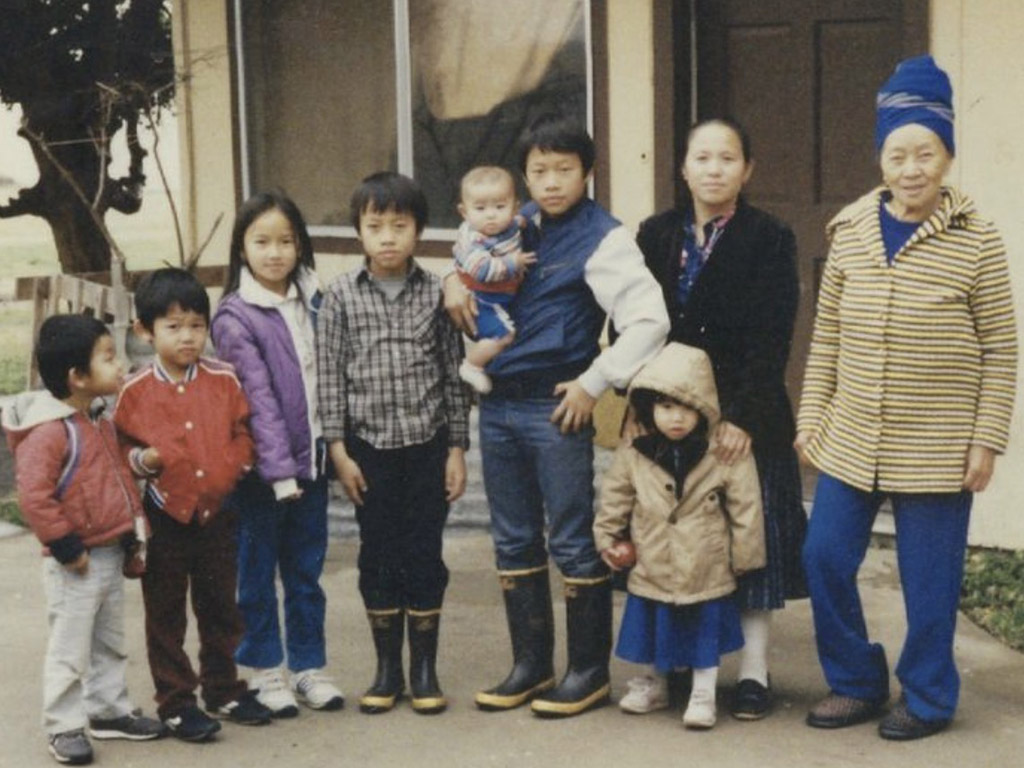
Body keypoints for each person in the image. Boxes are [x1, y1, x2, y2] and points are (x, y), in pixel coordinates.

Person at [796, 55, 1017, 741]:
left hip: (939, 443)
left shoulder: (978, 243)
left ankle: (926, 696)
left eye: (926, 152)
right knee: (824, 556)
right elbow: (826, 334)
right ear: (881, 158)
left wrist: (986, 440)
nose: (912, 168)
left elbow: (1002, 350)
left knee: (930, 586)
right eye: (898, 153)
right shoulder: (851, 231)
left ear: (946, 156)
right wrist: (811, 416)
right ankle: (857, 680)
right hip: (853, 432)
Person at [444, 114, 670, 718]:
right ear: (524, 178)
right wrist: (450, 281)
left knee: (571, 538)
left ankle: (588, 671)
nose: (551, 182)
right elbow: (466, 255)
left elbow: (651, 320)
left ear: (588, 172)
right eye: (539, 171)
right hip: (497, 401)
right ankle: (530, 665)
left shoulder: (605, 237)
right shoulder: (513, 223)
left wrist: (595, 383)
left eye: (564, 169)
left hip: (555, 406)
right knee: (513, 537)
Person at [635, 116, 807, 720]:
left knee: (747, 548)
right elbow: (630, 328)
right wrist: (638, 411)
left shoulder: (770, 237)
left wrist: (743, 417)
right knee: (675, 546)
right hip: (667, 417)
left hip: (743, 416)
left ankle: (754, 672)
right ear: (683, 168)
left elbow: (773, 335)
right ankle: (676, 665)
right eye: (702, 158)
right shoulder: (655, 234)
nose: (713, 169)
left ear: (747, 169)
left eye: (727, 158)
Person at [317, 172, 471, 716]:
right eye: (375, 226)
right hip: (368, 451)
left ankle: (424, 670)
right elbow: (330, 377)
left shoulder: (437, 294)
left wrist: (457, 449)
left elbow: (454, 376)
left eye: (399, 226)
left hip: (426, 447)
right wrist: (338, 449)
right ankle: (387, 669)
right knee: (378, 553)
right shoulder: (337, 297)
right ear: (358, 232)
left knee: (424, 553)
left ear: (419, 231)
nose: (387, 238)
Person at [113, 268, 272, 741]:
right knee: (165, 612)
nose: (188, 337)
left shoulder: (224, 379)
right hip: (165, 517)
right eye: (173, 326)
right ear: (145, 330)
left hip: (218, 514)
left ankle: (222, 688)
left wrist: (233, 466)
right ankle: (176, 701)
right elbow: (120, 449)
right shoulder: (135, 391)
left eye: (197, 326)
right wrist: (143, 460)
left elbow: (245, 432)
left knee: (221, 604)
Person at [3, 315, 166, 765]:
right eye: (108, 358)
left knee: (109, 641)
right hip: (75, 559)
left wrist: (141, 475)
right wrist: (65, 546)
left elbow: (114, 473)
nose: (119, 366)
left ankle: (108, 709)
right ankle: (64, 724)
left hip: (110, 550)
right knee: (71, 647)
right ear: (77, 376)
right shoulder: (50, 432)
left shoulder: (96, 419)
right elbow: (34, 497)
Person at [211, 192, 343, 717]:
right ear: (242, 248)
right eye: (261, 241)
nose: (275, 253)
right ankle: (266, 672)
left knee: (306, 573)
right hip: (264, 474)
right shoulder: (235, 316)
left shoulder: (314, 298)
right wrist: (279, 472)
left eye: (286, 241)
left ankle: (309, 668)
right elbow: (259, 398)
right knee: (258, 572)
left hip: (309, 462)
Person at [595, 343, 765, 729]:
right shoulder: (636, 451)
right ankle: (654, 682)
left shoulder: (720, 450)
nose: (676, 418)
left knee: (703, 628)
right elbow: (616, 495)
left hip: (704, 560)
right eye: (666, 407)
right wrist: (607, 537)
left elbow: (745, 504)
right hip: (653, 556)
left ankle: (703, 691)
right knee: (654, 622)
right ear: (649, 407)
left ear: (703, 408)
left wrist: (745, 555)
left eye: (688, 408)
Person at [452, 165, 537, 393]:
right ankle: (472, 365)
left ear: (514, 207)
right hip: (484, 300)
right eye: (480, 208)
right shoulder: (473, 240)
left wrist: (519, 221)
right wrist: (513, 263)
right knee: (504, 336)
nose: (491, 215)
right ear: (464, 212)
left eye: (500, 206)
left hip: (501, 297)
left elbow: (516, 224)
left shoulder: (509, 224)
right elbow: (481, 270)